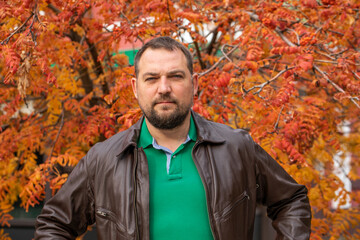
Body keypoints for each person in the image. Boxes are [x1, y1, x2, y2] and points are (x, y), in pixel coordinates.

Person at [35, 36, 311, 240]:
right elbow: (54, 225)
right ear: (135, 87)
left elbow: (291, 200)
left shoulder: (237, 148)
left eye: (175, 76)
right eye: (152, 78)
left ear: (194, 83)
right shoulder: (105, 159)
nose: (164, 88)